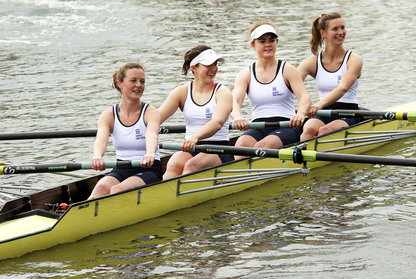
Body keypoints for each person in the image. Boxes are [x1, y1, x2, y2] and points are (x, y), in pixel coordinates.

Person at [231, 22, 311, 153]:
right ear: (253, 45)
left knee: (262, 147)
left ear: (276, 42)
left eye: (272, 40)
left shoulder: (288, 70)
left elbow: (305, 98)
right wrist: (237, 117)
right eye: (262, 41)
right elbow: (234, 102)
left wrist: (301, 114)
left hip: (287, 125)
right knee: (241, 145)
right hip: (257, 125)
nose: (268, 44)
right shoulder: (245, 74)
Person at [158, 45, 233, 179]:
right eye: (208, 65)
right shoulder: (181, 92)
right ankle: (164, 195)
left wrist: (195, 137)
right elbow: (156, 118)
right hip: (191, 147)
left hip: (219, 149)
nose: (214, 69)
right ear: (194, 67)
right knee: (173, 164)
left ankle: (181, 197)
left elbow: (217, 122)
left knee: (192, 165)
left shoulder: (223, 92)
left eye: (215, 64)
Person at [89, 63, 163, 199]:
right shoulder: (108, 114)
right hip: (121, 167)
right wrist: (97, 156)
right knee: (100, 188)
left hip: (149, 169)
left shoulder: (151, 112)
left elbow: (152, 134)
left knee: (117, 190)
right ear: (120, 84)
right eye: (133, 81)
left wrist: (150, 153)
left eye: (142, 81)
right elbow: (101, 139)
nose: (139, 85)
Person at [298, 12, 363, 140]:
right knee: (309, 129)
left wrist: (318, 105)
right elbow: (291, 85)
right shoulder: (311, 62)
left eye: (343, 28)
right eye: (335, 29)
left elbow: (343, 88)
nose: (341, 32)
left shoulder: (354, 60)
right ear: (323, 33)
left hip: (349, 113)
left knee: (324, 130)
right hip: (323, 113)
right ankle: (303, 157)